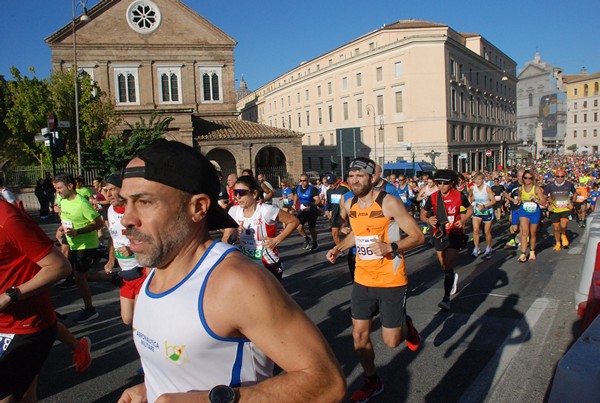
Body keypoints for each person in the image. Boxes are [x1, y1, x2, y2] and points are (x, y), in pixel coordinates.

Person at [117, 140, 345, 403]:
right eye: (126, 202)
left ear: (198, 208)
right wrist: (150, 389)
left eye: (144, 202)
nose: (126, 218)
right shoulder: (154, 270)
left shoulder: (235, 282)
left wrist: (212, 400)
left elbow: (326, 382)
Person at [326, 157, 423, 403]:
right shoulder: (349, 203)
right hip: (362, 278)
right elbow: (358, 234)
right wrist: (339, 248)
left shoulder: (389, 202)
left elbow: (417, 236)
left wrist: (391, 246)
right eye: (351, 176)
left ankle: (406, 326)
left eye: (360, 175)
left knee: (391, 342)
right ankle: (372, 380)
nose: (354, 180)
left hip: (391, 279)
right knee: (359, 336)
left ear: (372, 177)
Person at [0, 200, 72, 402]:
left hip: (23, 325)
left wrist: (9, 296)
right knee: (25, 394)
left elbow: (60, 267)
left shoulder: (8, 221)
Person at [221, 175, 299, 282]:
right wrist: (233, 237)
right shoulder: (234, 211)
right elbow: (225, 239)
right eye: (235, 193)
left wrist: (276, 240)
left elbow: (294, 221)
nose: (237, 197)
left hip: (267, 264)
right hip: (246, 264)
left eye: (241, 193)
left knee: (270, 298)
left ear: (254, 194)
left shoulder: (266, 210)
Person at [54, 173, 105, 323]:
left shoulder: (82, 202)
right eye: (56, 188)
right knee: (76, 274)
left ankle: (90, 309)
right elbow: (67, 218)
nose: (58, 191)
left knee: (79, 276)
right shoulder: (63, 201)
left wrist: (78, 231)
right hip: (73, 243)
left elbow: (99, 223)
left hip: (86, 244)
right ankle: (111, 277)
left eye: (59, 188)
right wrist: (62, 227)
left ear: (70, 186)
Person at [420, 169, 473, 311]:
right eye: (439, 183)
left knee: (448, 264)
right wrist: (428, 219)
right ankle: (451, 275)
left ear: (452, 183)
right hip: (439, 234)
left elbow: (470, 210)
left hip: (455, 233)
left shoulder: (459, 196)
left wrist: (463, 220)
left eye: (445, 183)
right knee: (444, 265)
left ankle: (446, 298)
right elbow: (422, 215)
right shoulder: (433, 197)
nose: (442, 185)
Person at [103, 173, 147, 325]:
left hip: (142, 270)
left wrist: (133, 249)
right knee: (127, 319)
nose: (108, 194)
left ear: (123, 190)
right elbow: (113, 238)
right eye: (106, 190)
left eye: (112, 189)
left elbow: (151, 238)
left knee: (142, 319)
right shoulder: (109, 211)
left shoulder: (135, 210)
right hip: (125, 273)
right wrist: (110, 260)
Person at [510, 170, 547, 262]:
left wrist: (535, 199)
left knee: (533, 233)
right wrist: (516, 200)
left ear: (532, 179)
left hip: (534, 212)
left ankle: (532, 250)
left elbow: (544, 202)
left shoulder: (536, 189)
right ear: (523, 179)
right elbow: (519, 198)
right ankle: (523, 253)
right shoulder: (520, 189)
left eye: (529, 178)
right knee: (524, 232)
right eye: (525, 178)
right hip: (524, 211)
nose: (527, 180)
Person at [544, 169, 576, 251]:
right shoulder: (550, 186)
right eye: (558, 176)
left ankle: (564, 235)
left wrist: (572, 203)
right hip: (554, 209)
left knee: (563, 225)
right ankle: (558, 242)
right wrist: (548, 206)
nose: (560, 178)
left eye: (562, 176)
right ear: (555, 177)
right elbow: (544, 197)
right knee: (556, 228)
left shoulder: (569, 185)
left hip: (565, 209)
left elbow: (575, 193)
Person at [468, 172, 496, 257]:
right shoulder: (472, 188)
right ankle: (476, 248)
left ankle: (489, 247)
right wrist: (471, 204)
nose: (477, 181)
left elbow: (493, 201)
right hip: (477, 211)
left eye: (479, 179)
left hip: (487, 211)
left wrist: (484, 205)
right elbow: (470, 196)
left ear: (482, 180)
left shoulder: (487, 188)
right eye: (476, 179)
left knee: (487, 232)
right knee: (476, 230)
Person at [294, 173, 321, 251]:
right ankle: (306, 238)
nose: (303, 182)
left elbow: (318, 200)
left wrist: (309, 204)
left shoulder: (312, 189)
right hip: (302, 211)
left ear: (308, 181)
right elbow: (296, 195)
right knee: (298, 226)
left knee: (311, 228)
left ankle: (315, 242)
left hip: (311, 211)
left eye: (304, 180)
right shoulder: (298, 188)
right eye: (301, 180)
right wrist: (294, 203)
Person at [324, 173, 350, 246]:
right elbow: (328, 203)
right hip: (335, 215)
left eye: (332, 183)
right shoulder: (328, 191)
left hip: (345, 215)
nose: (330, 185)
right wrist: (327, 210)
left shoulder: (344, 189)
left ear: (336, 182)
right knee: (334, 234)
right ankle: (340, 250)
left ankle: (351, 249)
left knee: (346, 234)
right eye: (329, 183)